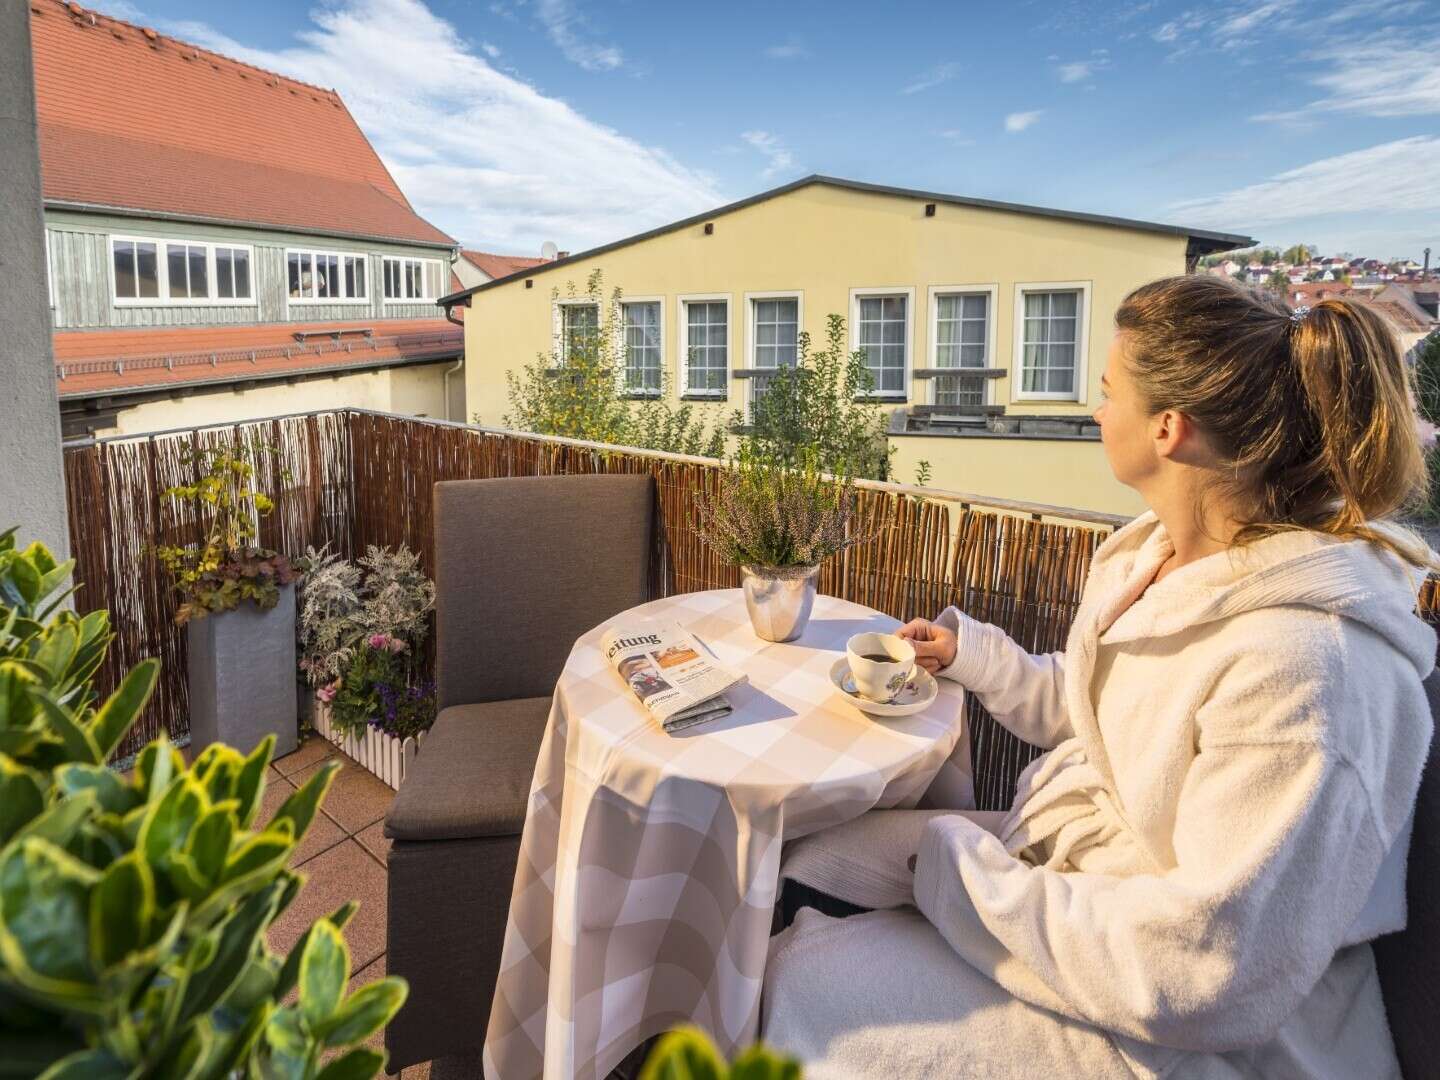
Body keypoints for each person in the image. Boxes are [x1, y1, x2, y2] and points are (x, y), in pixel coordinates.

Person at [761, 276, 1437, 1079]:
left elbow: (1203, 971)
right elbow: (1108, 715)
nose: (1094, 411)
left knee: (793, 980)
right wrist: (972, 657)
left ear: (1168, 428)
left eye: (1109, 391)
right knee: (798, 861)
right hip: (1074, 880)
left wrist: (961, 873)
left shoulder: (1308, 671)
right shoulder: (1160, 555)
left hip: (1191, 1030)